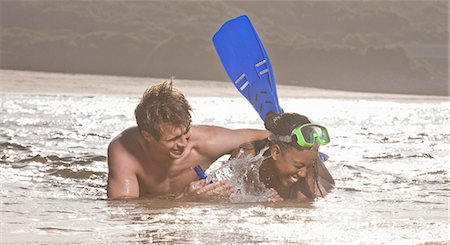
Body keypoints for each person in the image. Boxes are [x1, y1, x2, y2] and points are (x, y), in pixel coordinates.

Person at [107, 79, 268, 200]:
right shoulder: (124, 150)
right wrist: (185, 200)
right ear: (148, 136)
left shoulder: (206, 141)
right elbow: (123, 210)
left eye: (186, 133)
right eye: (173, 139)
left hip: (185, 210)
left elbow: (261, 136)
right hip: (153, 220)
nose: (184, 144)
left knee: (247, 148)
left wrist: (238, 187)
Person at [231, 112, 335, 201]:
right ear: (276, 152)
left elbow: (306, 205)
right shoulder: (247, 160)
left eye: (308, 166)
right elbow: (242, 201)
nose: (303, 174)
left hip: (324, 184)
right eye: (298, 166)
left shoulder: (306, 170)